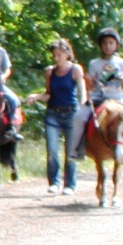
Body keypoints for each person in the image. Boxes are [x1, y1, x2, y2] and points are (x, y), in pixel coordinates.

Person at [70, 27, 123, 164]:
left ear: (116, 45)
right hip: (99, 98)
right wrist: (89, 81)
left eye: (111, 43)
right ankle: (76, 150)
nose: (108, 46)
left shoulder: (121, 63)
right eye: (104, 43)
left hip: (118, 99)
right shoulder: (95, 63)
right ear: (100, 46)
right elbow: (91, 87)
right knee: (79, 117)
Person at [24, 38, 87, 195]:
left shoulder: (75, 70)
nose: (56, 58)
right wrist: (36, 97)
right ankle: (54, 182)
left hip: (71, 113)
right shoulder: (50, 72)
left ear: (67, 54)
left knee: (70, 151)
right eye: (54, 55)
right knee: (52, 150)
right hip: (53, 114)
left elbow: (82, 91)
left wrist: (83, 105)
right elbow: (48, 94)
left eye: (59, 54)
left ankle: (70, 185)